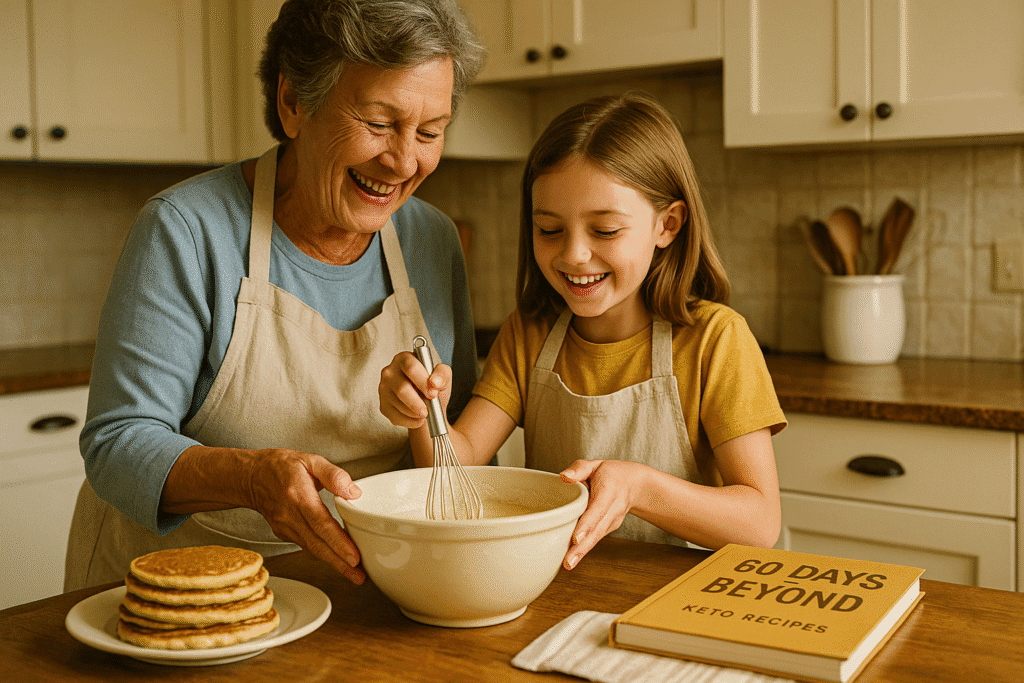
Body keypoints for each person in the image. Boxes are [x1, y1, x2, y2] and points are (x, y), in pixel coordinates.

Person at [65, 0, 485, 592]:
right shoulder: (187, 229)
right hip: (173, 596)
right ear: (293, 103)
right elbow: (118, 444)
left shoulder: (433, 241)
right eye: (377, 123)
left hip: (365, 599)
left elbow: (458, 446)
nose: (403, 160)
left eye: (430, 132)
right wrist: (251, 477)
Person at [379, 93, 787, 570]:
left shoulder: (715, 341)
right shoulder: (530, 335)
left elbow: (759, 523)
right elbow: (457, 465)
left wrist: (639, 488)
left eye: (606, 231)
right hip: (562, 593)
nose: (573, 254)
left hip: (680, 603)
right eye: (549, 230)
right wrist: (424, 412)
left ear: (668, 225)